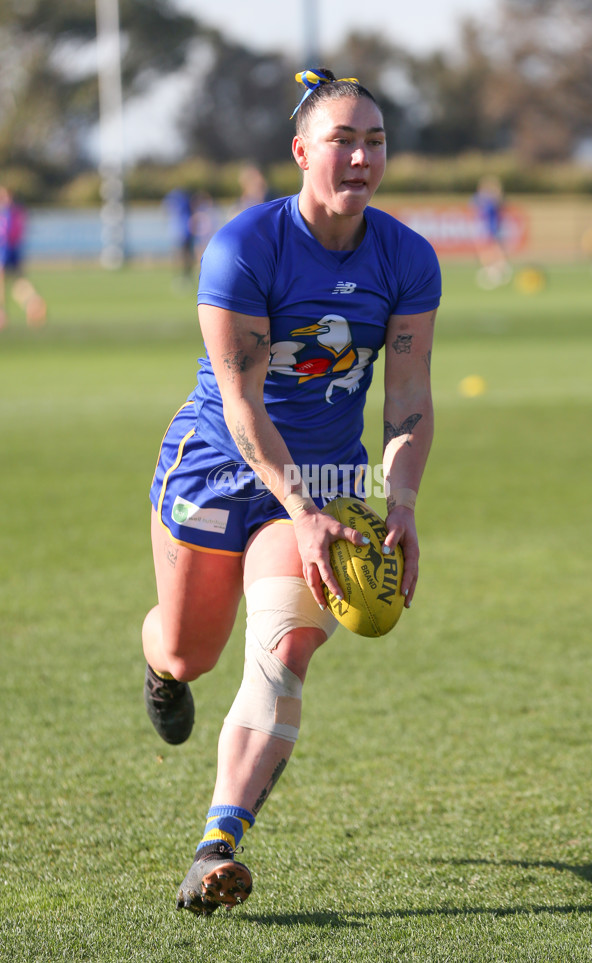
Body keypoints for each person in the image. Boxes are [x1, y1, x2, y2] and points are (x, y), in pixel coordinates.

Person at [143, 67, 441, 917]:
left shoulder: (406, 257)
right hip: (215, 465)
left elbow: (410, 401)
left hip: (325, 482)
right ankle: (158, 666)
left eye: (375, 141)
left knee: (284, 645)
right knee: (188, 651)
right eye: (342, 140)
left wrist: (402, 505)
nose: (360, 156)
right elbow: (239, 403)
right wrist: (300, 507)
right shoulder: (245, 248)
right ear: (302, 150)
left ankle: (216, 845)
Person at [0, 185, 46, 330]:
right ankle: (32, 301)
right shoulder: (19, 211)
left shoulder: (7, 212)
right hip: (15, 248)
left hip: (5, 248)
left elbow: (5, 232)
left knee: (3, 281)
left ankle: (2, 314)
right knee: (17, 281)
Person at [471, 174, 513, 289]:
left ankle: (501, 269)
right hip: (484, 228)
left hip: (492, 228)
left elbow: (499, 205)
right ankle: (493, 270)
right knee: (485, 251)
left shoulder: (494, 200)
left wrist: (496, 193)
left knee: (494, 249)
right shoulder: (480, 199)